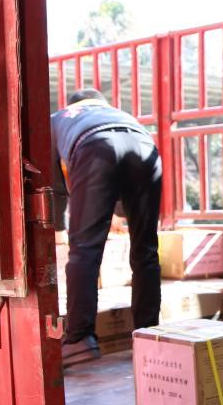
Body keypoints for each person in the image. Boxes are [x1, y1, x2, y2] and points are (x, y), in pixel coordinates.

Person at [52, 89, 162, 366]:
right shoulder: (119, 114)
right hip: (145, 147)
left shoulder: (58, 119)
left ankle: (79, 339)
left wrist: (57, 227)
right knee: (146, 250)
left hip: (95, 149)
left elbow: (55, 187)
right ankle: (149, 334)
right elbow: (125, 207)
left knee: (84, 251)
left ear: (72, 105)